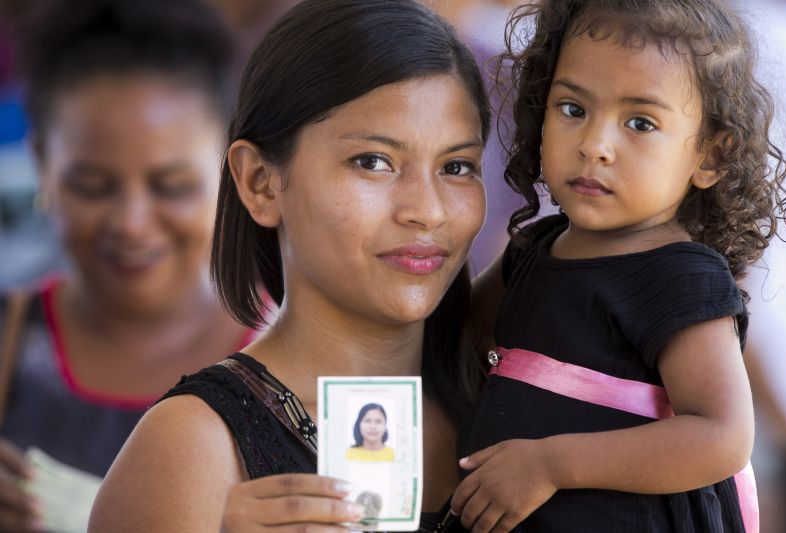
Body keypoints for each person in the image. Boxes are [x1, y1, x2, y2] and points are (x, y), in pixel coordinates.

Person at [88, 0, 489, 531]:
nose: (428, 210)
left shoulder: (518, 403)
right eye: (372, 162)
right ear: (260, 182)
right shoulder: (193, 448)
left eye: (457, 166)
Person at [452, 0, 786, 531]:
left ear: (710, 156)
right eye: (572, 109)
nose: (595, 145)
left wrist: (550, 465)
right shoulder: (533, 251)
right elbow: (453, 336)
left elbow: (721, 436)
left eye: (640, 122)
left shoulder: (679, 278)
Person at [0, 0, 254, 531]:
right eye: (93, 187)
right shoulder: (10, 339)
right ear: (44, 165)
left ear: (233, 168)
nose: (133, 223)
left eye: (172, 186)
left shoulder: (305, 366)